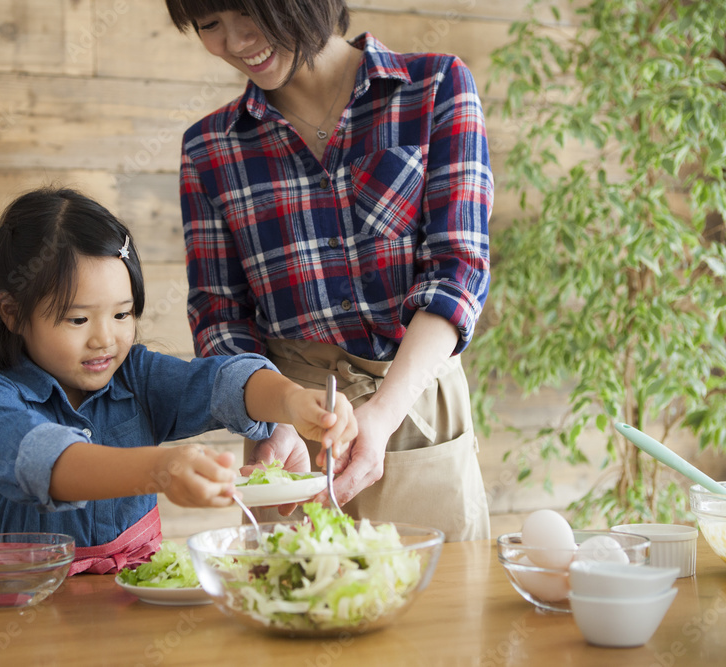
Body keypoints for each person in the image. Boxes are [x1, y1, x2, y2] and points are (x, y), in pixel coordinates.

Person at [165, 0, 493, 541]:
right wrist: (272, 422)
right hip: (288, 434)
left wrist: (384, 414)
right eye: (209, 25)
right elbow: (220, 318)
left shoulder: (434, 87)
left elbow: (456, 273)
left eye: (249, 11)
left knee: (437, 613)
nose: (237, 40)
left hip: (413, 407)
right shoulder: (210, 149)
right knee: (293, 605)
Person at [0, 187, 357, 574]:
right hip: (29, 604)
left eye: (122, 315)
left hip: (138, 596)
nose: (105, 339)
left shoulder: (138, 376)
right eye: (78, 319)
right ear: (12, 313)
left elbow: (223, 383)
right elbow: (51, 465)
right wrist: (161, 468)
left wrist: (292, 401)